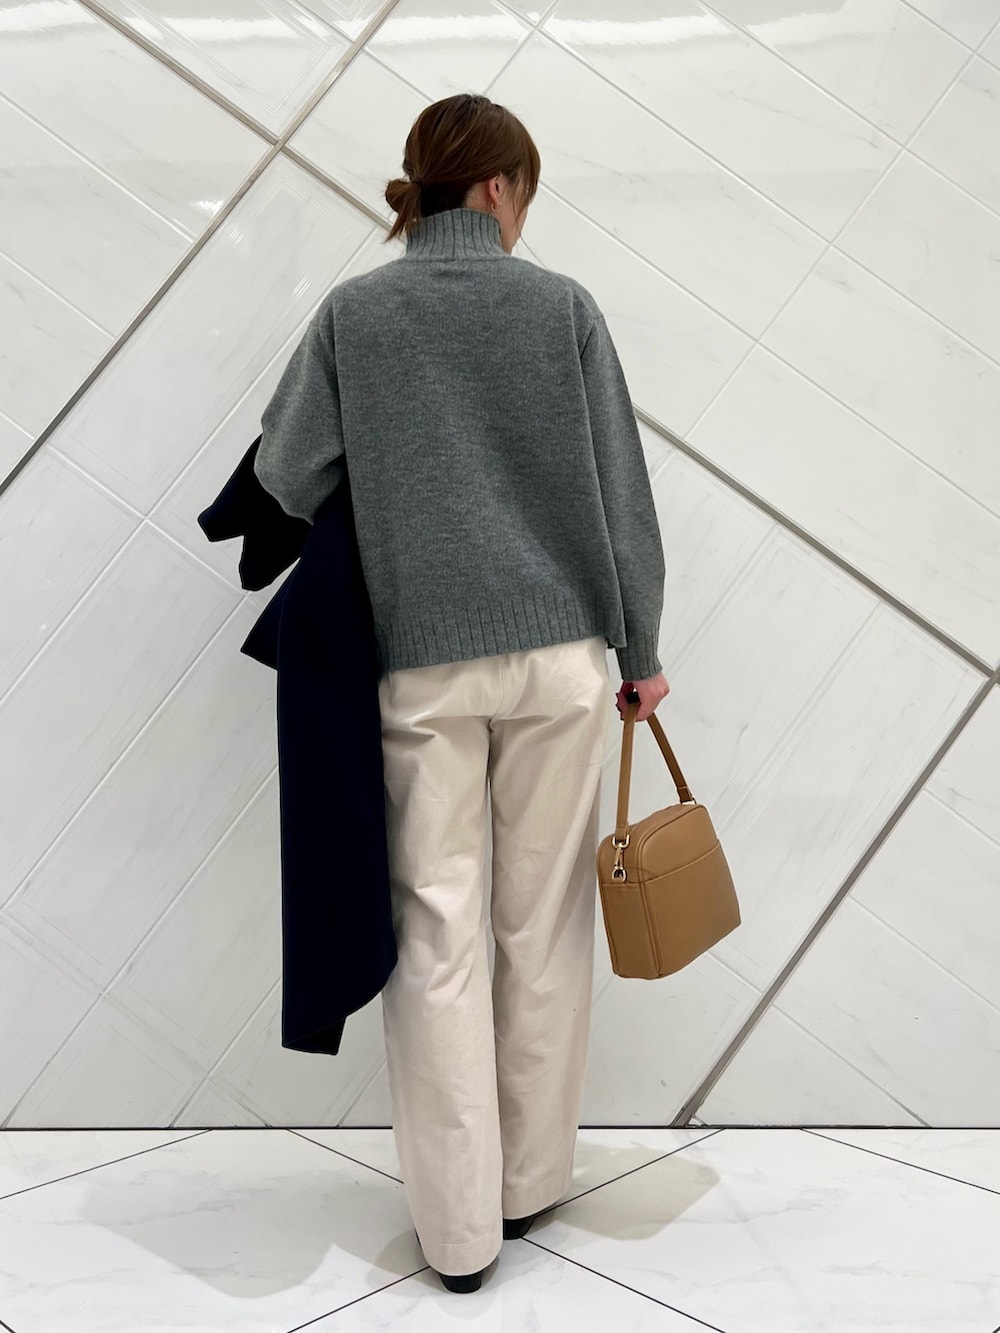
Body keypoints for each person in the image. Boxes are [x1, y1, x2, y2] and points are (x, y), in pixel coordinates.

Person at [253, 92, 668, 1294]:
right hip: (558, 660)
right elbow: (622, 497)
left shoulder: (357, 313)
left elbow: (286, 469)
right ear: (495, 187)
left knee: (436, 931)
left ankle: (456, 1236)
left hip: (421, 661)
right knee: (542, 923)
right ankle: (529, 1185)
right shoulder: (562, 308)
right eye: (524, 191)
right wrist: (639, 648)